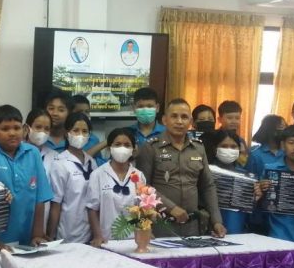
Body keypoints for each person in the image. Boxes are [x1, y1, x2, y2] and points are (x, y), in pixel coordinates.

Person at [134, 98, 226, 237]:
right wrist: (170, 208)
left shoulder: (198, 148)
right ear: (164, 120)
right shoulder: (151, 147)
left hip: (192, 226)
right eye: (174, 116)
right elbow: (141, 187)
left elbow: (208, 186)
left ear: (190, 121)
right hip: (161, 224)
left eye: (184, 117)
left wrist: (216, 221)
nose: (179, 121)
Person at [0, 105, 53, 247]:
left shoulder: (33, 153)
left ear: (24, 129)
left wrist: (37, 235)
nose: (12, 133)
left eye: (16, 128)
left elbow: (40, 199)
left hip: (28, 239)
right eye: (5, 129)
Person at [86, 127, 145, 246]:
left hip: (134, 240)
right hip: (106, 239)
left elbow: (143, 209)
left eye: (127, 145)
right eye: (117, 144)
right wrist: (97, 236)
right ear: (109, 147)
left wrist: (145, 232)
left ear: (133, 149)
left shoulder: (139, 175)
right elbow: (92, 209)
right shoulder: (98, 174)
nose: (122, 148)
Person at [47, 111, 96, 244]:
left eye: (85, 131)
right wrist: (51, 236)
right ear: (66, 133)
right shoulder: (60, 163)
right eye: (76, 130)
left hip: (89, 233)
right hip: (67, 233)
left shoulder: (91, 162)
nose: (80, 135)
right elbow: (56, 204)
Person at [203, 129, 249, 235]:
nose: (229, 150)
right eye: (224, 146)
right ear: (215, 148)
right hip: (209, 225)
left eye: (233, 147)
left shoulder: (245, 176)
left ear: (239, 149)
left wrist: (255, 195)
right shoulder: (205, 171)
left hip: (236, 228)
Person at [43, 90, 72, 154]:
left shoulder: (73, 140)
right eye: (51, 108)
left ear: (69, 113)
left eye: (61, 110)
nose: (55, 113)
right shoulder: (38, 137)